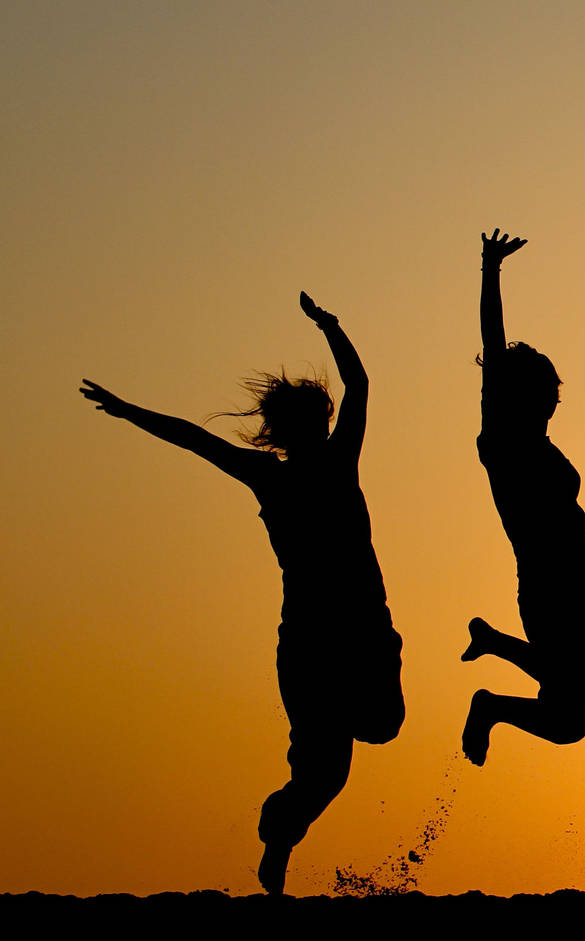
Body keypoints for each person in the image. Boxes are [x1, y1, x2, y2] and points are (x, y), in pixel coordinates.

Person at [80, 293, 404, 895]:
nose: (312, 432)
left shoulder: (340, 462)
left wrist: (331, 326)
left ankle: (290, 805)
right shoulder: (269, 476)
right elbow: (191, 438)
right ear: (284, 432)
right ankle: (279, 835)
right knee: (324, 778)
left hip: (364, 631)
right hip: (309, 644)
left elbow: (359, 383)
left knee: (384, 727)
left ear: (321, 426)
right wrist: (128, 412)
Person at [460, 230, 585, 765]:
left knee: (577, 716)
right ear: (520, 396)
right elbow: (493, 344)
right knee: (578, 704)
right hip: (550, 584)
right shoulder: (502, 443)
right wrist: (491, 269)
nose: (553, 403)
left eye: (555, 396)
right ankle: (491, 685)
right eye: (546, 395)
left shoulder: (541, 444)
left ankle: (493, 672)